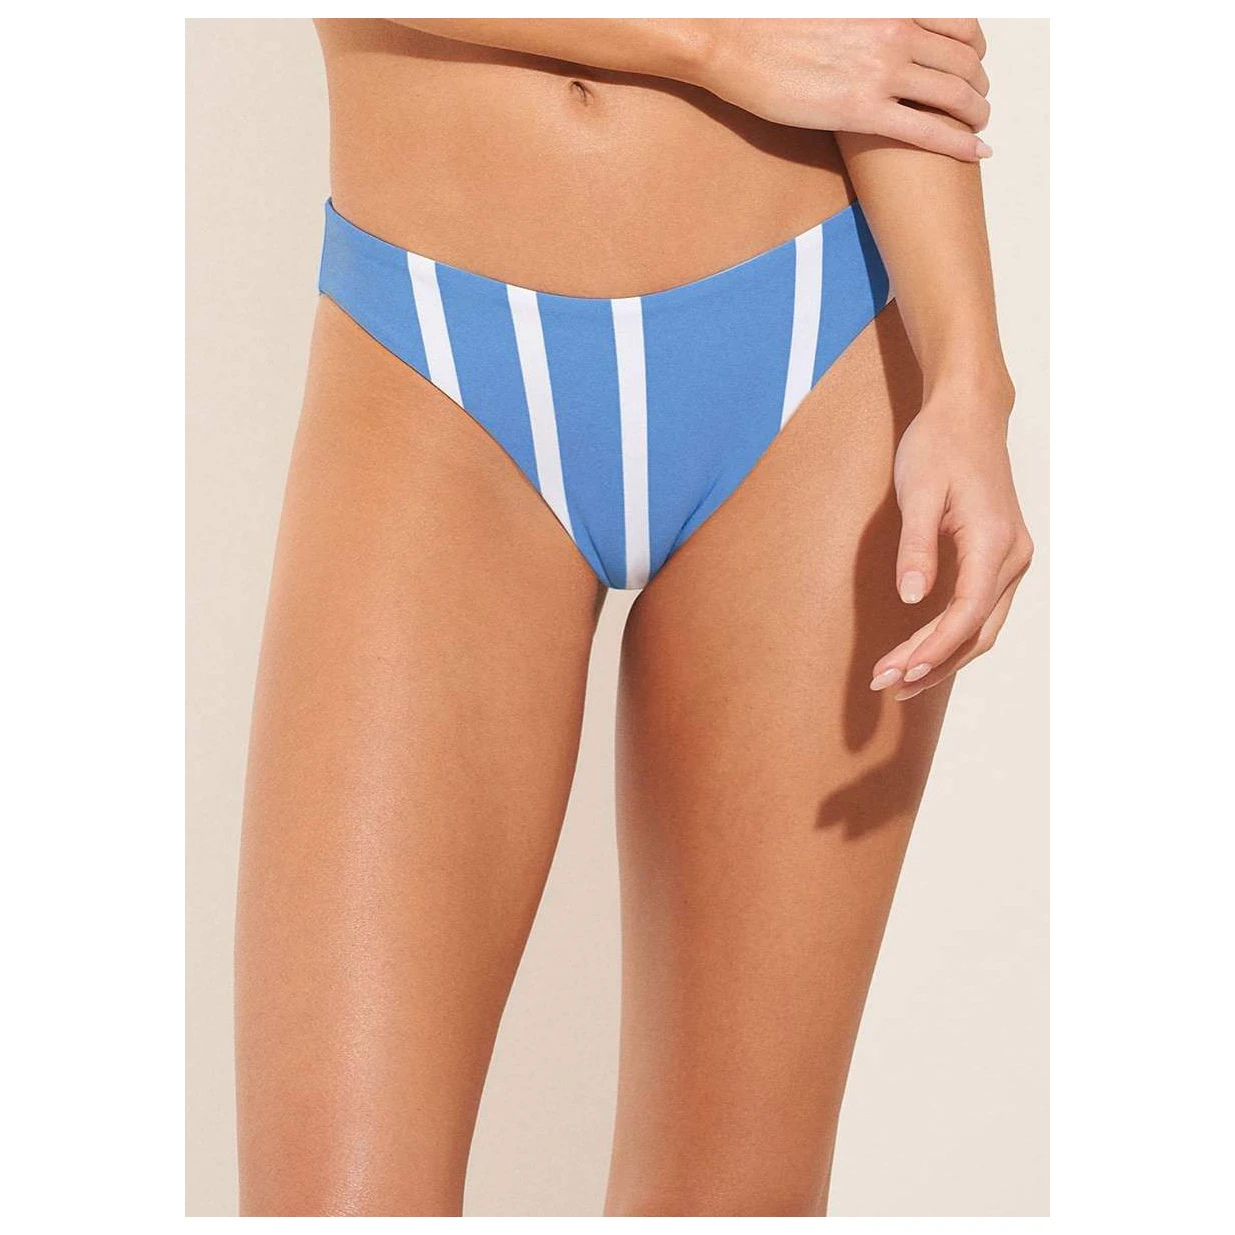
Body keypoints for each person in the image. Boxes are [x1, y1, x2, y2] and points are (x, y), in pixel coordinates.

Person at [235, 18, 1032, 1217]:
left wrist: (968, 369)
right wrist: (709, 40)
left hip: (819, 340)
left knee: (731, 1198)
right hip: (431, 343)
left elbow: (887, 33)